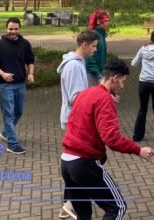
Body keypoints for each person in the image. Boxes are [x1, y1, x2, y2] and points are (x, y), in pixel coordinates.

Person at [61, 59, 154, 219]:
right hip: (84, 165)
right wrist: (138, 150)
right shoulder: (104, 99)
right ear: (114, 78)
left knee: (83, 214)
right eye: (122, 81)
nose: (122, 86)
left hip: (66, 163)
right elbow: (111, 138)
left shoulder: (85, 93)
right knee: (117, 208)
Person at [57, 30, 99, 220]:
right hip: (75, 120)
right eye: (94, 46)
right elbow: (76, 97)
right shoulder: (74, 66)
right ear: (84, 44)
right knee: (80, 165)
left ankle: (68, 204)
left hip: (75, 119)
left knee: (76, 164)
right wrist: (97, 99)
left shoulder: (77, 63)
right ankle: (71, 203)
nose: (95, 50)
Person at [0, 17, 34, 154]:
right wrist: (2, 74)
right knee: (8, 114)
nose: (13, 31)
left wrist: (31, 73)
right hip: (5, 85)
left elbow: (30, 60)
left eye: (15, 29)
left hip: (20, 84)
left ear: (19, 29)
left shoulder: (25, 44)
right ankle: (12, 144)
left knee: (18, 112)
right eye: (10, 29)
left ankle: (5, 132)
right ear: (6, 28)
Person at [85, 10, 110, 86]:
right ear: (98, 21)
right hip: (93, 75)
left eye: (108, 21)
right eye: (105, 21)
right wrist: (98, 76)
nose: (108, 23)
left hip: (100, 73)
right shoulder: (94, 36)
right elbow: (89, 59)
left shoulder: (101, 35)